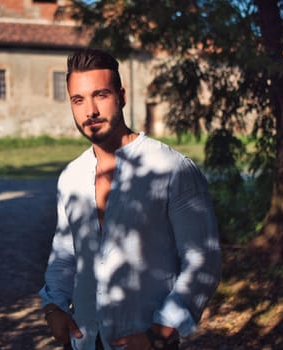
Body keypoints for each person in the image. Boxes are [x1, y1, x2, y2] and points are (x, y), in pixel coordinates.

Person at [39, 48, 222, 350]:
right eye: (78, 99)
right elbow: (64, 254)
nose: (90, 111)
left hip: (145, 341)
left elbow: (204, 260)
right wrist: (53, 308)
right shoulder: (71, 177)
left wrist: (160, 333)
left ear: (121, 96)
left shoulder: (171, 168)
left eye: (101, 95)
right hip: (83, 341)